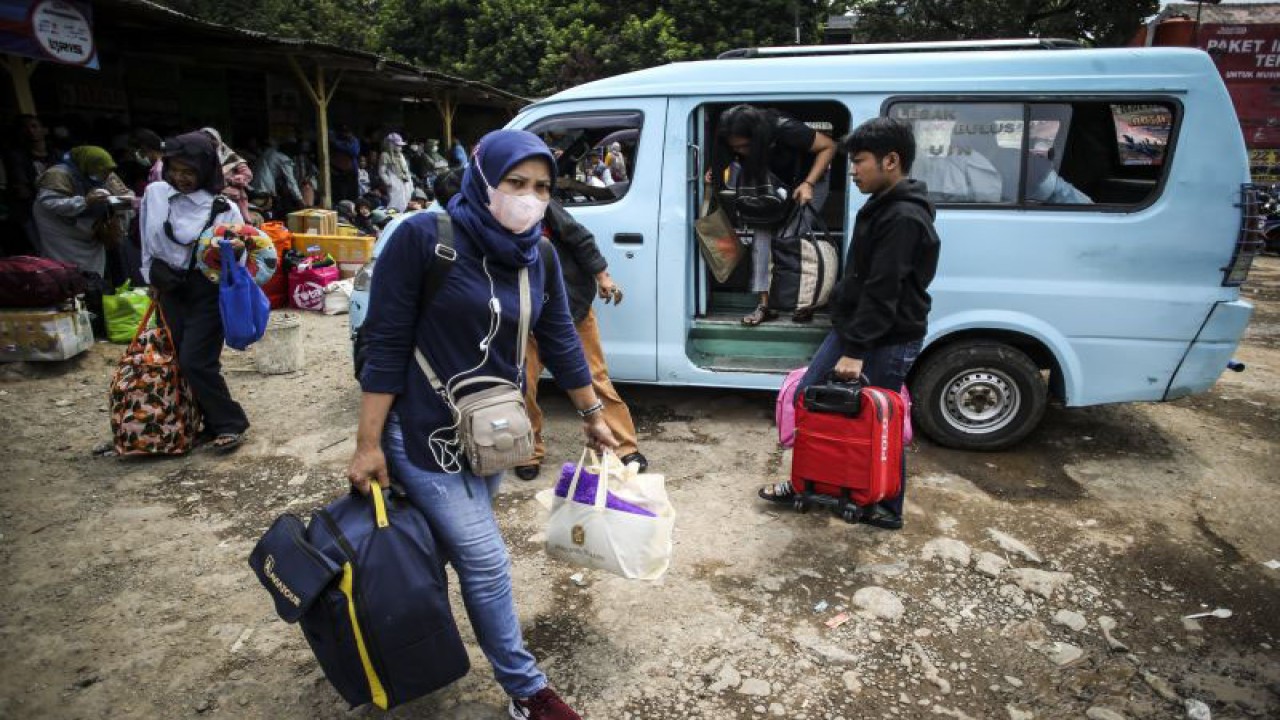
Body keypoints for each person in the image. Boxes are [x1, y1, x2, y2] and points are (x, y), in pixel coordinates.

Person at [348, 129, 614, 720]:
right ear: (483, 178)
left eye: (541, 187)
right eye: (515, 182)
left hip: (493, 434)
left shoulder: (539, 254)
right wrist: (368, 444)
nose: (529, 198)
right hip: (421, 433)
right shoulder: (424, 238)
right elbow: (384, 345)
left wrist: (592, 414)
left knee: (439, 552)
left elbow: (560, 337)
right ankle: (528, 692)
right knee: (487, 560)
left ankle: (383, 639)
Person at [758, 118, 941, 531]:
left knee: (878, 423)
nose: (853, 171)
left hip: (885, 337)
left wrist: (856, 350)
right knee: (809, 399)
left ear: (890, 161)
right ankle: (812, 484)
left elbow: (884, 289)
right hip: (857, 328)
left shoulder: (904, 216)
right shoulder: (882, 205)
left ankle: (885, 507)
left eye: (859, 162)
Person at [514, 198, 646, 481]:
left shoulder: (538, 203)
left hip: (568, 307)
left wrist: (604, 277)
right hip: (523, 314)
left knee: (594, 378)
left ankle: (622, 447)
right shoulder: (484, 222)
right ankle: (528, 452)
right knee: (523, 384)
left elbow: (580, 238)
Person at [140, 132, 251, 453]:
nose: (181, 178)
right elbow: (146, 238)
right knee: (174, 358)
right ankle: (196, 423)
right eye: (175, 169)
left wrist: (237, 248)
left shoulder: (224, 207)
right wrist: (150, 279)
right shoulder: (155, 194)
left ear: (205, 170)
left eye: (189, 171)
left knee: (196, 360)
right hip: (167, 286)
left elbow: (241, 257)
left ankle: (230, 422)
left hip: (207, 289)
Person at [711, 104, 837, 325]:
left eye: (745, 146)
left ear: (758, 136)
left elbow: (829, 146)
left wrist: (809, 183)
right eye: (735, 148)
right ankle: (765, 305)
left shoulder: (785, 129)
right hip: (769, 187)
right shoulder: (733, 144)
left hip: (807, 181)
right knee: (761, 244)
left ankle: (802, 301)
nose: (741, 152)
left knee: (786, 240)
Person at [32, 146, 132, 279]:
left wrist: (120, 200)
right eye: (100, 171)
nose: (103, 175)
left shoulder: (106, 172)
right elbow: (51, 202)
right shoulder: (57, 174)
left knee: (93, 272)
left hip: (90, 232)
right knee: (64, 269)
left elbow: (127, 197)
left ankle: (93, 285)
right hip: (61, 230)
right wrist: (85, 201)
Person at [5, 114, 59, 255]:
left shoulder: (56, 155)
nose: (30, 131)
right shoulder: (16, 157)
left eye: (34, 126)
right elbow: (22, 191)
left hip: (58, 210)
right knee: (43, 252)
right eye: (25, 127)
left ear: (44, 130)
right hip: (32, 212)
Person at [202, 127, 254, 222]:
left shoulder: (229, 156)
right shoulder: (200, 158)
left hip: (235, 199)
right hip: (208, 199)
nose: (211, 142)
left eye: (213, 139)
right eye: (206, 139)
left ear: (218, 140)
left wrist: (236, 179)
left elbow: (247, 174)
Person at [249, 140, 303, 215]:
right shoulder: (283, 159)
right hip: (263, 191)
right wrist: (300, 200)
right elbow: (291, 182)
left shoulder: (269, 152)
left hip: (252, 186)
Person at [378, 132, 415, 213]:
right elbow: (382, 172)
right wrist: (388, 182)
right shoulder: (385, 155)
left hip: (405, 180)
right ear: (391, 145)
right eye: (398, 145)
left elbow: (405, 168)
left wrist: (409, 179)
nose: (400, 147)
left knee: (407, 200)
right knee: (395, 202)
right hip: (394, 181)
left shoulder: (400, 155)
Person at [329, 124, 361, 203]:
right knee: (339, 199)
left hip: (351, 174)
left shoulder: (353, 140)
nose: (346, 134)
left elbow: (354, 151)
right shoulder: (334, 139)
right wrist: (340, 145)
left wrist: (340, 146)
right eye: (343, 132)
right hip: (337, 174)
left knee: (353, 198)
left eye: (347, 132)